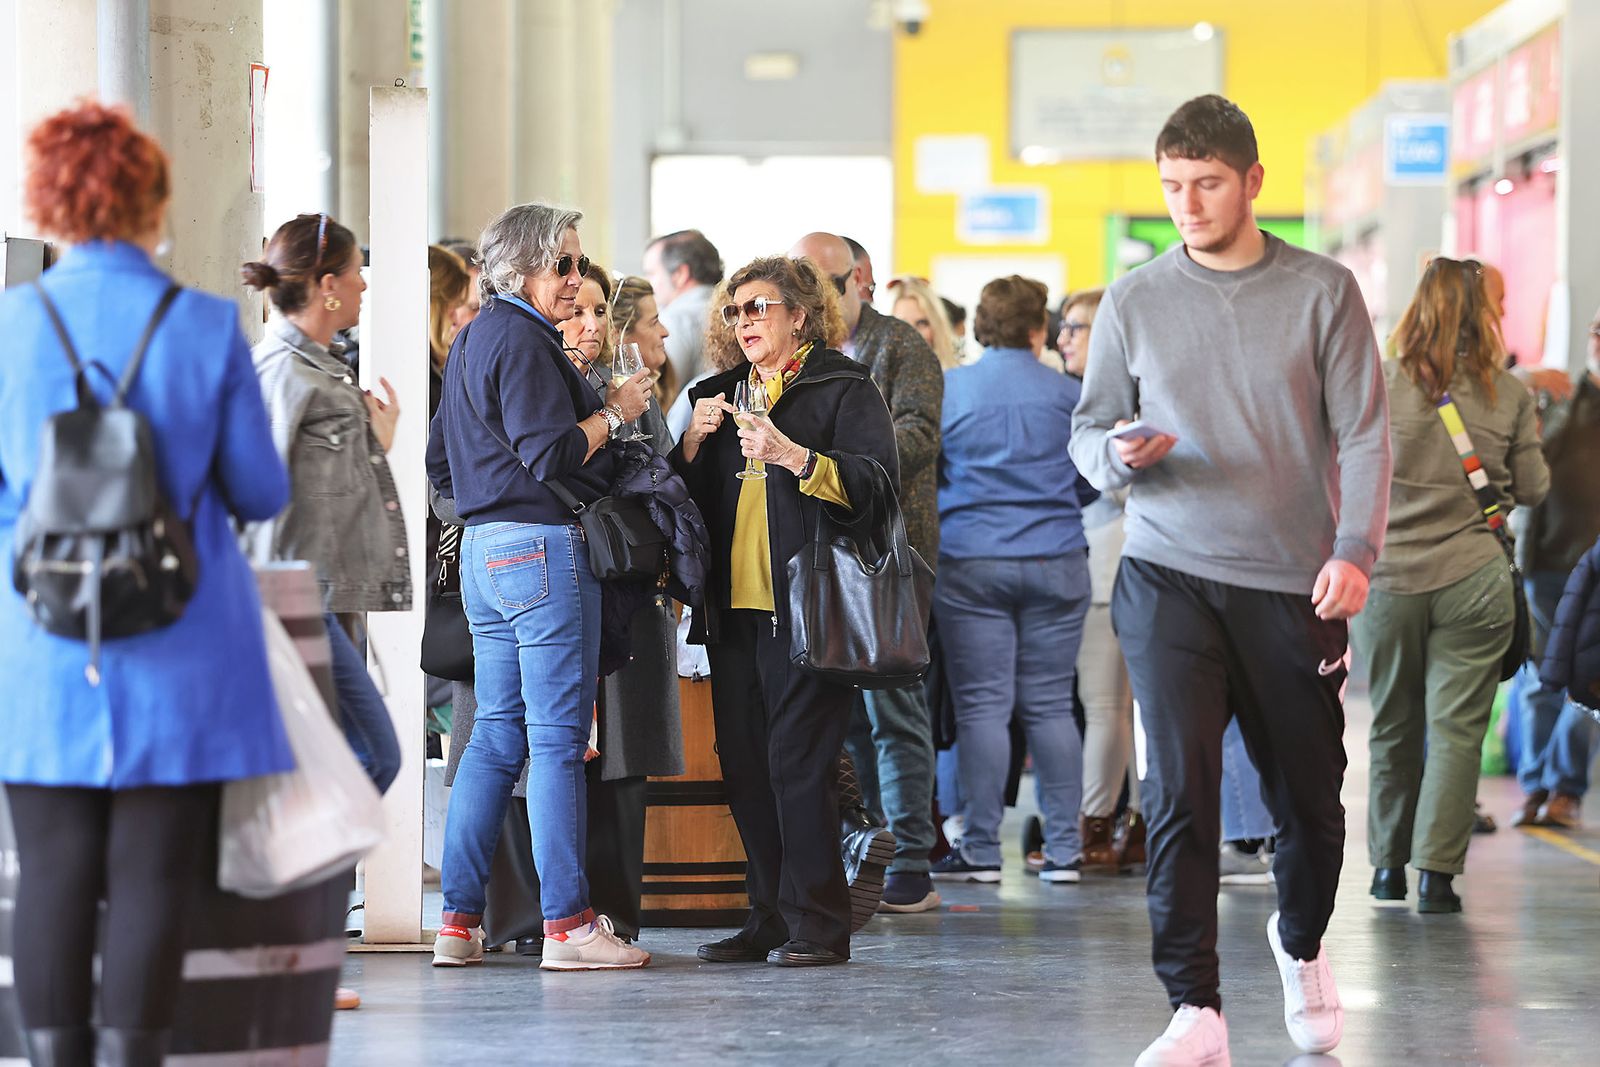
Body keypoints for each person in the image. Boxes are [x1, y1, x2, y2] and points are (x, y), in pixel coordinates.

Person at [1070, 95, 1391, 1065]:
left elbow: (1368, 430)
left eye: (1206, 183)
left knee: (1308, 799)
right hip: (1166, 570)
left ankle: (1299, 943)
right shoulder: (1132, 299)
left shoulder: (1323, 291)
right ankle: (1195, 1007)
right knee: (1178, 789)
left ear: (1253, 181)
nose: (1186, 203)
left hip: (1294, 582)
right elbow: (1087, 434)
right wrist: (1122, 457)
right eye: (1171, 186)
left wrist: (1354, 549)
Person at [0, 102, 293, 1066]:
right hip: (181, 639)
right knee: (154, 873)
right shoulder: (204, 324)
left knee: (48, 871)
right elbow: (257, 488)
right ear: (151, 203)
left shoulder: (8, 327)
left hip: (41, 643)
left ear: (49, 202)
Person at [427, 202, 655, 972]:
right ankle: (568, 925)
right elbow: (552, 452)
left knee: (495, 736)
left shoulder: (470, 340)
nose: (576, 276)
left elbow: (440, 463)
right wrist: (615, 414)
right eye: (564, 263)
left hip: (489, 556)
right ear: (523, 267)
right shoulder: (523, 340)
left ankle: (457, 921)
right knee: (557, 742)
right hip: (542, 552)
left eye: (579, 263)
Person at [672, 254, 899, 966]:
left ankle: (821, 925)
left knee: (797, 764)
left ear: (800, 315)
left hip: (810, 609)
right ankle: (768, 916)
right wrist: (687, 445)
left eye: (760, 307)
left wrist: (796, 457)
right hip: (733, 613)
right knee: (743, 764)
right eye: (736, 311)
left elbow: (878, 487)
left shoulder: (841, 388)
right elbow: (673, 502)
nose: (745, 322)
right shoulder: (715, 395)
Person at [1353, 256, 1548, 914]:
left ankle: (1385, 867)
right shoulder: (1510, 393)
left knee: (1391, 725)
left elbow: (1346, 473)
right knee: (1457, 729)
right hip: (1474, 577)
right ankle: (1437, 877)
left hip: (1388, 578)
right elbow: (1534, 490)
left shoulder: (1378, 384)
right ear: (1484, 314)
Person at [789, 232, 944, 914]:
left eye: (826, 281)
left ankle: (911, 859)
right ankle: (866, 852)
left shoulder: (902, 347)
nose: (816, 298)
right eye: (803, 284)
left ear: (862, 278)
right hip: (823, 556)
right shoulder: (802, 355)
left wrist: (824, 458)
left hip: (890, 556)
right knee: (838, 717)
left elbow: (915, 438)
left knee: (896, 709)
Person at [929, 275, 1092, 885]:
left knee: (981, 709)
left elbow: (930, 471)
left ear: (977, 327)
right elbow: (1092, 474)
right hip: (1056, 558)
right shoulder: (1068, 394)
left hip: (971, 561)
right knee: (1051, 705)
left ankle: (980, 847)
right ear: (1038, 329)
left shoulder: (951, 390)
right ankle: (1066, 851)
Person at [241, 214, 404, 800]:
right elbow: (255, 496)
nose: (364, 286)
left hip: (323, 598)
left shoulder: (319, 368)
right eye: (357, 273)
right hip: (294, 600)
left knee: (339, 759)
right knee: (371, 756)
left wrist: (373, 444)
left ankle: (311, 889)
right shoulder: (284, 373)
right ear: (328, 285)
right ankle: (295, 884)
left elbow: (315, 483)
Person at [1054, 288, 1145, 873]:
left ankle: (1095, 830)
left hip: (1112, 567)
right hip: (1104, 564)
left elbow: (1120, 486)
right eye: (1063, 325)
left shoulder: (1122, 400)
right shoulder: (1072, 395)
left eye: (1078, 327)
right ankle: (1126, 825)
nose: (1064, 337)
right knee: (1116, 706)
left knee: (1107, 702)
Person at [1510, 301, 1600, 831]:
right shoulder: (1565, 397)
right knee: (1542, 680)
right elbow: (1534, 460)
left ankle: (1563, 788)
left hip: (1595, 569)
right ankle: (1536, 786)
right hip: (1548, 561)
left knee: (1587, 683)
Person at [643, 228, 722, 385]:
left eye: (651, 274)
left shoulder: (674, 319)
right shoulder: (734, 311)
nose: (647, 283)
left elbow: (664, 392)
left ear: (680, 274)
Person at [612, 273, 679, 428]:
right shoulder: (608, 396)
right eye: (653, 323)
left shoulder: (659, 380)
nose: (665, 332)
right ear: (619, 335)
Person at [890, 276, 961, 371]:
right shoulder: (874, 380)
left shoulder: (959, 379)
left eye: (922, 323)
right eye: (901, 324)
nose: (912, 334)